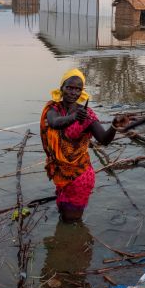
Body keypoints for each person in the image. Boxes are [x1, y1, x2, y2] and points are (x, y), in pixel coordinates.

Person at [40, 68, 128, 222]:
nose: (73, 92)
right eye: (69, 87)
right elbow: (54, 123)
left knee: (71, 223)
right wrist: (73, 117)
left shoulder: (87, 114)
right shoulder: (53, 108)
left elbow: (104, 140)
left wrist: (114, 126)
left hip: (79, 177)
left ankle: (78, 244)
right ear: (62, 88)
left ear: (82, 92)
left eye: (78, 89)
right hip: (60, 175)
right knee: (64, 216)